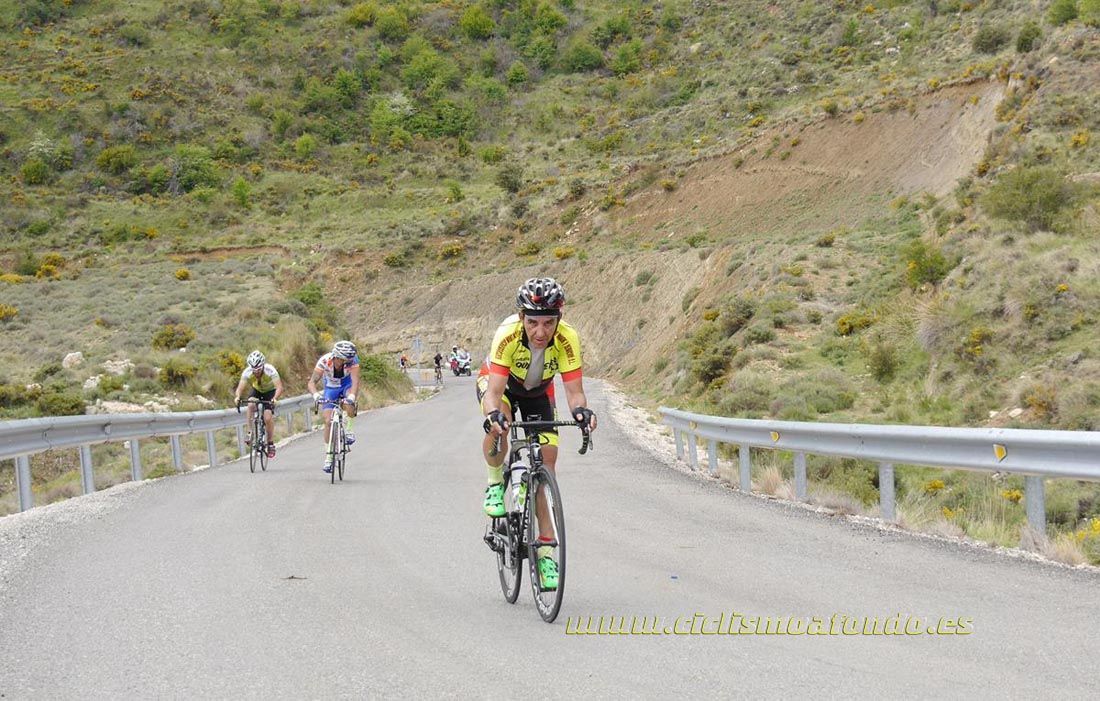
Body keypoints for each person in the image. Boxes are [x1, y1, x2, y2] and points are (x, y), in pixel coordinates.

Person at [476, 277, 597, 590]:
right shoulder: (507, 335)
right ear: (521, 318)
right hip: (501, 386)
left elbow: (574, 392)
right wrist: (492, 416)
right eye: (533, 323)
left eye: (548, 323)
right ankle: (493, 482)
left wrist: (582, 413)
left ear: (559, 318)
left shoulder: (568, 338)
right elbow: (493, 393)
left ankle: (545, 553)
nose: (540, 332)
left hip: (539, 393)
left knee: (546, 468)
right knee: (500, 425)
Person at [307, 340, 361, 473]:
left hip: (346, 385)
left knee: (349, 403)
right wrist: (316, 395)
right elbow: (312, 382)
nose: (348, 363)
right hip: (331, 387)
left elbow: (355, 381)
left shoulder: (353, 360)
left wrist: (352, 396)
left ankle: (349, 430)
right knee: (327, 421)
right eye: (345, 360)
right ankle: (329, 456)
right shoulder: (324, 361)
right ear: (337, 357)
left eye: (349, 360)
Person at [233, 351, 285, 458]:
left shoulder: (270, 370)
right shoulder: (247, 372)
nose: (256, 373)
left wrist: (274, 398)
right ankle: (249, 432)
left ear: (263, 366)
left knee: (267, 417)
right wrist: (237, 397)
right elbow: (240, 388)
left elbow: (279, 387)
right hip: (257, 390)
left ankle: (270, 443)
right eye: (254, 371)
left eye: (258, 370)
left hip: (270, 392)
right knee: (251, 404)